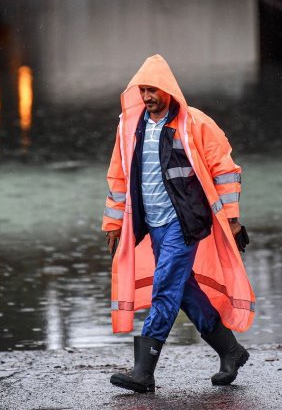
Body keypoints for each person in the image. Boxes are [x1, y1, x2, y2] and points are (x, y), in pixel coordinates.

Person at [101, 54, 255, 393]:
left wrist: (232, 221)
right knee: (183, 290)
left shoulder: (194, 124)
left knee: (165, 289)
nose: (147, 97)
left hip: (184, 223)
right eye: (142, 90)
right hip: (152, 225)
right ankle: (231, 352)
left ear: (168, 90)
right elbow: (118, 176)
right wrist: (113, 224)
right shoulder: (129, 128)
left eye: (153, 90)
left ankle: (143, 372)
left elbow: (225, 171)